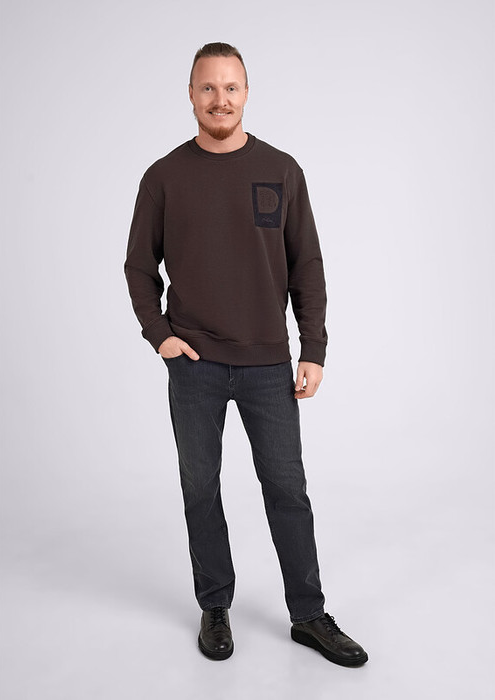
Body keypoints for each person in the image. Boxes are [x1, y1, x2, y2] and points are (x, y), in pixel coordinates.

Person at [124, 42, 368, 667]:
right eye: (208, 87)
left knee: (287, 489)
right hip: (194, 364)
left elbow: (306, 264)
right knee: (200, 488)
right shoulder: (163, 176)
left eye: (230, 87)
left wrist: (313, 346)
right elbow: (138, 266)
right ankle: (215, 606)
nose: (220, 99)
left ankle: (308, 615)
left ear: (247, 93)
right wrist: (160, 334)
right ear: (190, 95)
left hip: (267, 364)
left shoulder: (282, 170)